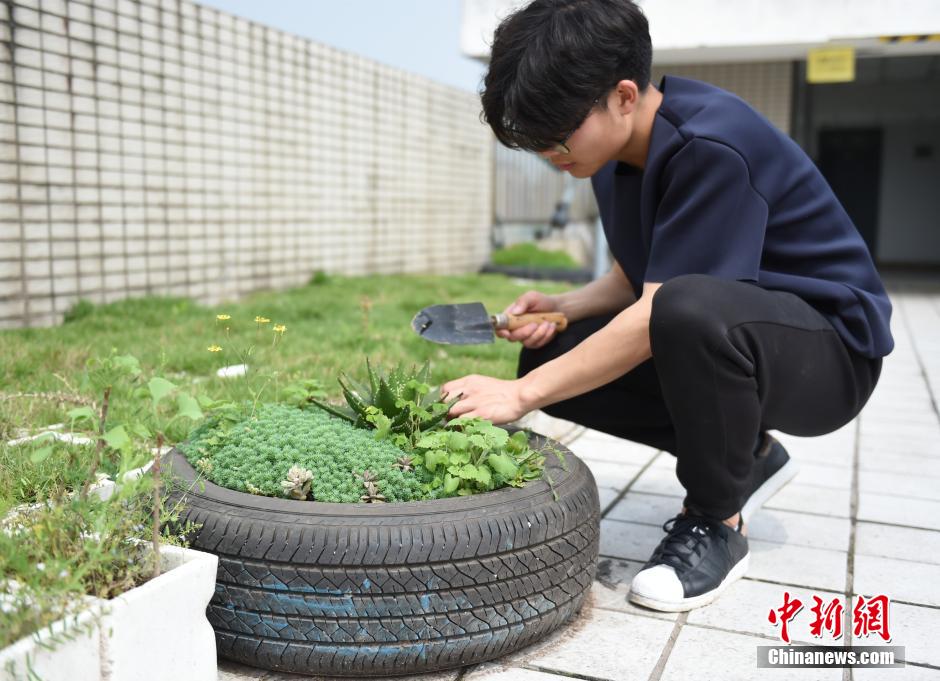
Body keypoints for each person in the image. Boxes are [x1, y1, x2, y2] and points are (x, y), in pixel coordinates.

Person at [440, 0, 893, 612]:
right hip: (741, 331)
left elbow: (663, 307)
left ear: (624, 96)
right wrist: (565, 306)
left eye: (557, 128)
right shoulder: (609, 155)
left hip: (832, 355)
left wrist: (520, 399)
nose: (547, 149)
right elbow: (637, 276)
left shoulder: (712, 144)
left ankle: (716, 522)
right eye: (532, 135)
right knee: (559, 351)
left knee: (677, 314)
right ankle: (750, 457)